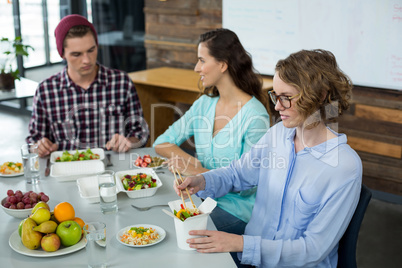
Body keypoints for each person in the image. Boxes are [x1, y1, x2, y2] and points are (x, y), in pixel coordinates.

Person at [174, 49, 362, 267]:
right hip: (252, 258)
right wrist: (203, 181)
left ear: (320, 96)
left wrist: (241, 244)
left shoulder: (344, 167)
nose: (277, 106)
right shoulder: (278, 134)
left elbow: (313, 250)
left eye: (287, 98)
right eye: (276, 95)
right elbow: (237, 174)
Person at [154, 28, 270, 235]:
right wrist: (192, 163)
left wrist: (197, 172)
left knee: (178, 233)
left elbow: (248, 185)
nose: (197, 68)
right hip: (202, 200)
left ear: (223, 65)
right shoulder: (204, 105)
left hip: (236, 212)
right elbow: (162, 143)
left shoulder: (255, 116)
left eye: (202, 60)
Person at [26, 14, 148, 157]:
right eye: (76, 54)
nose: (86, 60)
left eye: (91, 50)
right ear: (62, 54)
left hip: (112, 170)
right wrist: (39, 146)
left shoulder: (121, 82)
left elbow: (140, 132)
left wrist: (128, 141)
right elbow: (33, 141)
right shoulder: (46, 90)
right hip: (67, 170)